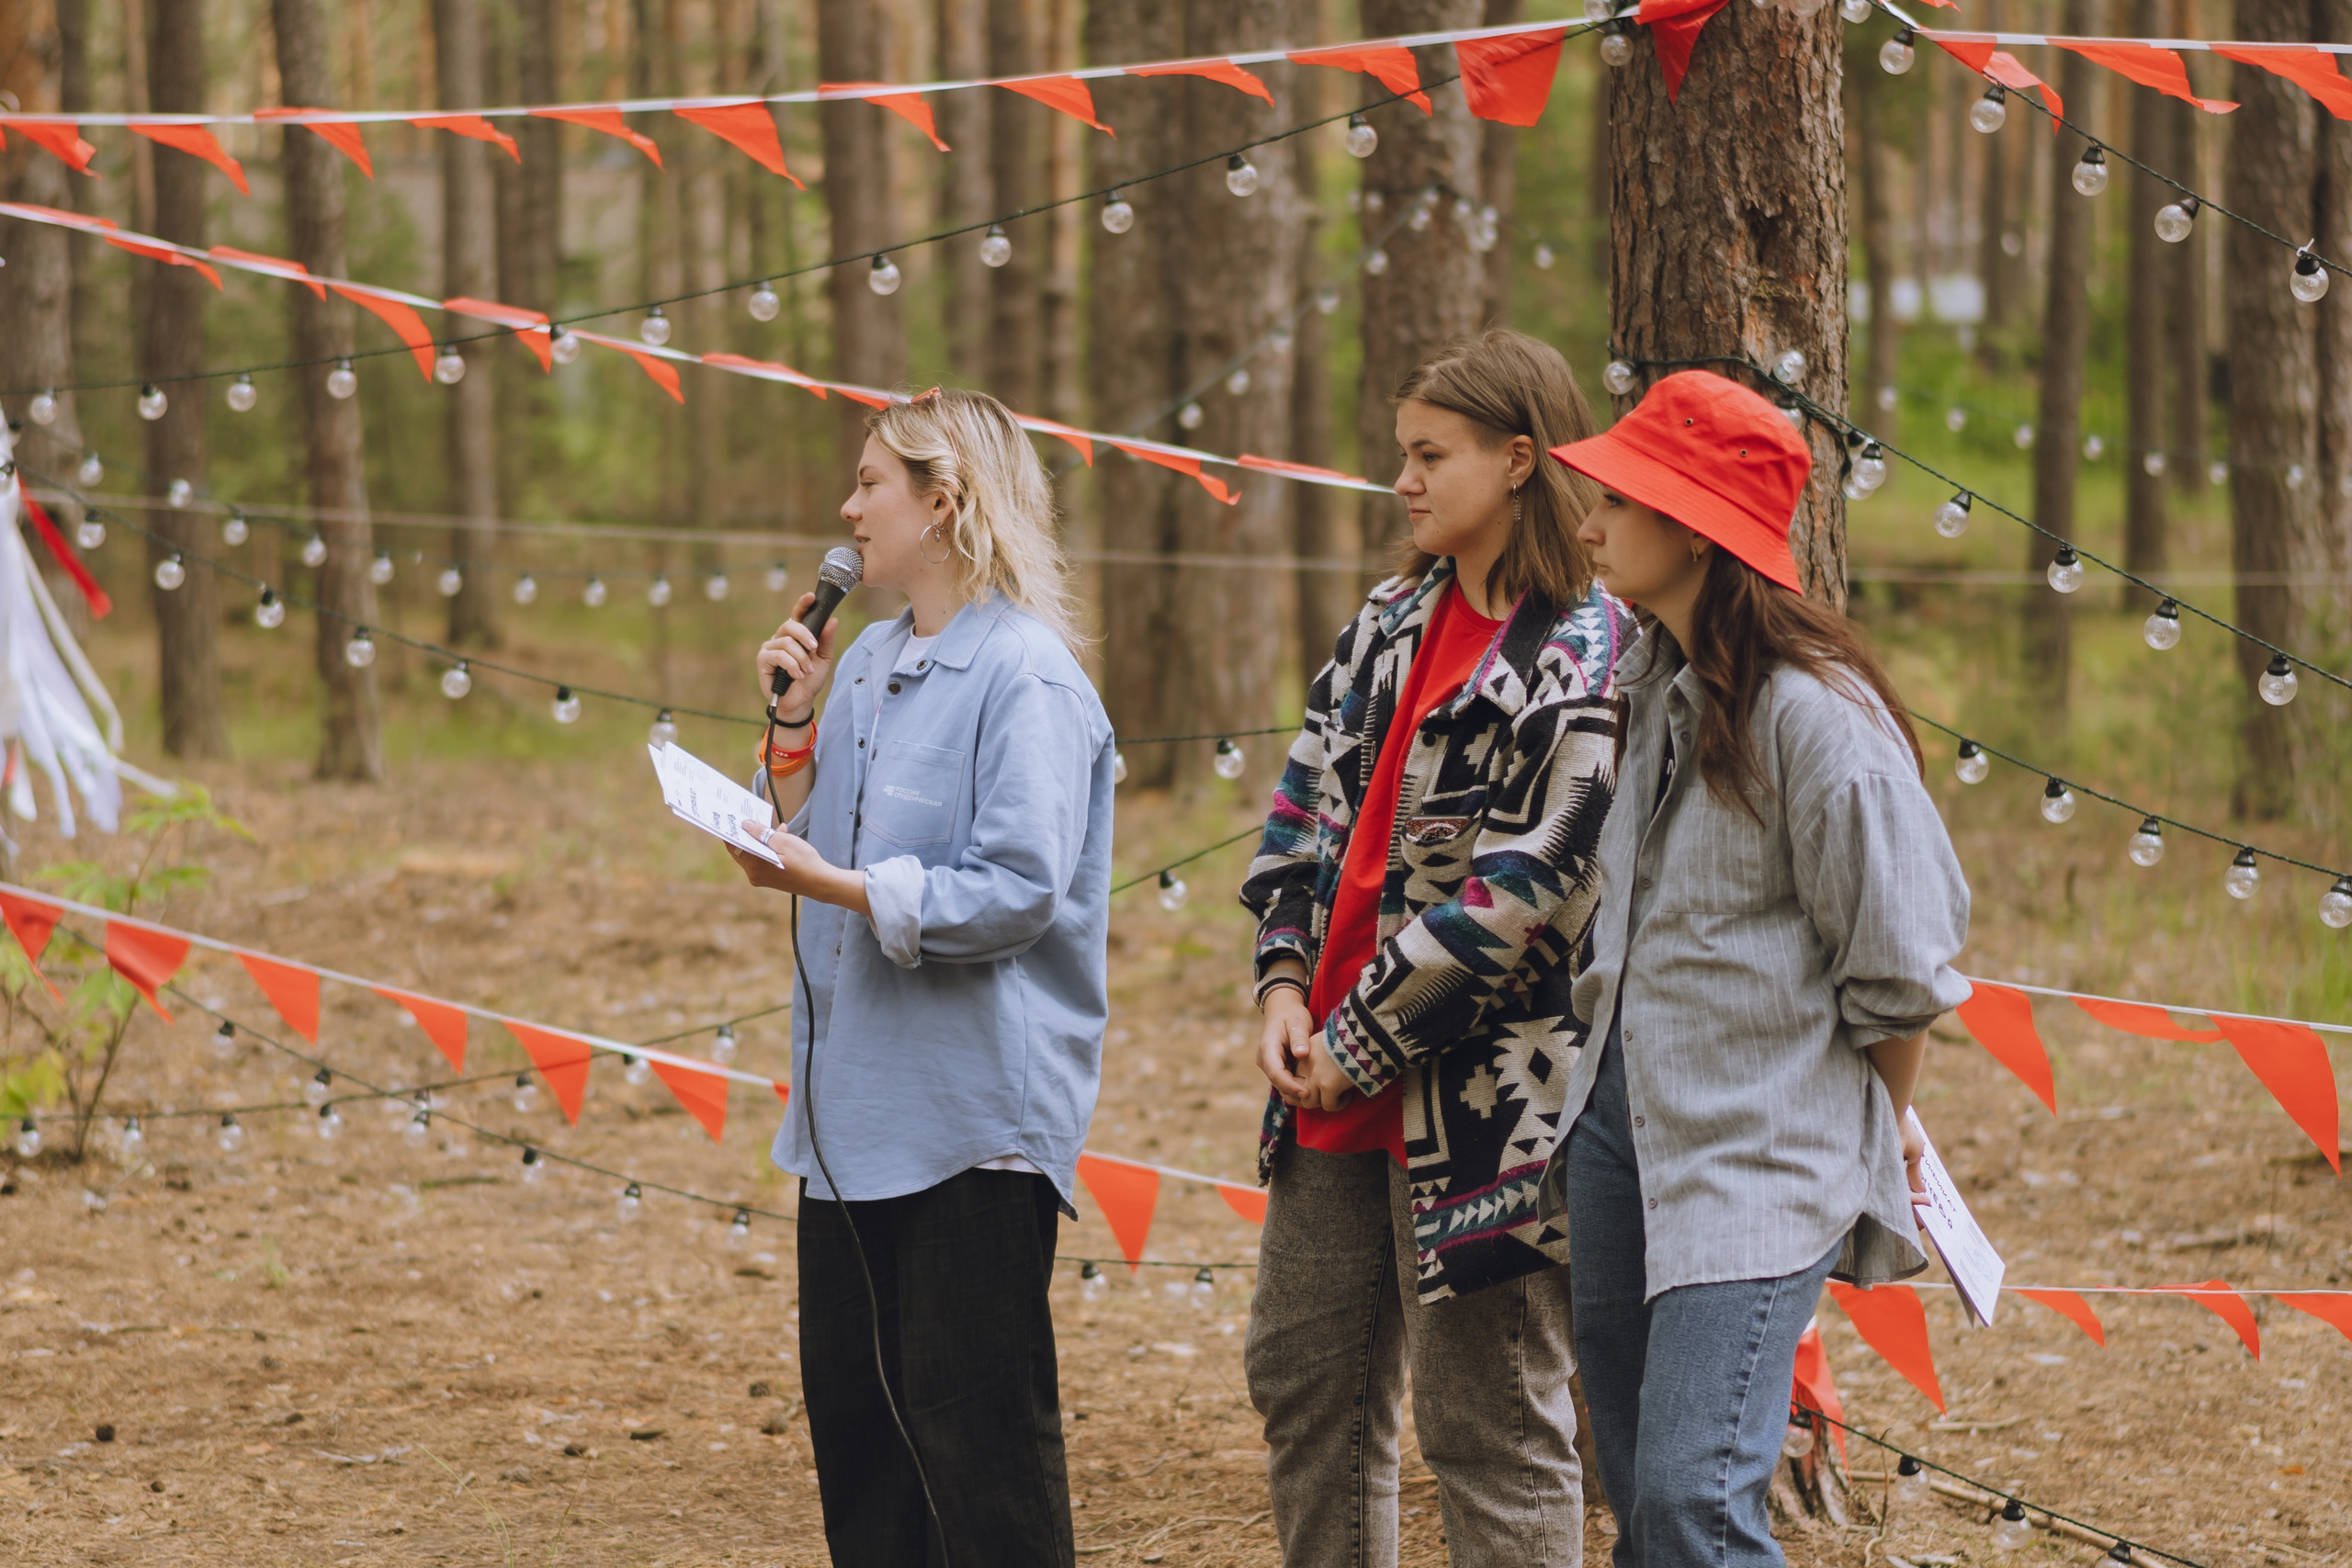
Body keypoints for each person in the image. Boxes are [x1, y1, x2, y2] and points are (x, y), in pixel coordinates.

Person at [1540, 369, 1970, 1568]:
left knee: (1691, 1499)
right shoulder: (1651, 688)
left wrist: (1864, 1133)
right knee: (1640, 1498)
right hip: (1622, 1137)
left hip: (1760, 1161)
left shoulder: (1822, 725)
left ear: (1689, 522)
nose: (1588, 525)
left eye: (1615, 500)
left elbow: (1901, 975)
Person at [1238, 329, 1634, 1568]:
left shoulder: (1588, 648)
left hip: (1486, 1103)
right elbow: (1303, 805)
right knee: (1304, 1380)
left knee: (1492, 1421)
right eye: (1400, 454)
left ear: (1520, 459)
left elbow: (1529, 891)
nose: (1403, 480)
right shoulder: (1389, 617)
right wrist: (1286, 980)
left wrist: (1361, 1039)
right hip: (1323, 1083)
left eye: (1429, 454)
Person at [727, 388, 1114, 1568]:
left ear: (943, 503)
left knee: (980, 1465)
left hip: (969, 1131)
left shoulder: (1028, 678)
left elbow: (1017, 890)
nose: (846, 510)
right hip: (850, 1120)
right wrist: (790, 738)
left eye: (870, 486)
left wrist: (840, 887)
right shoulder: (876, 659)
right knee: (865, 1457)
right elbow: (818, 836)